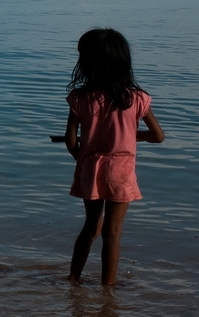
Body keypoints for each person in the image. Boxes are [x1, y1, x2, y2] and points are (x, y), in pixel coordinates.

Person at [64, 28, 164, 285]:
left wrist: (83, 159)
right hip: (120, 171)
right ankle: (108, 287)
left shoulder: (80, 97)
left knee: (90, 226)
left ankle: (73, 278)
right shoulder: (137, 98)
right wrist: (130, 135)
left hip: (91, 168)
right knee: (113, 232)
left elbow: (71, 141)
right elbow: (158, 136)